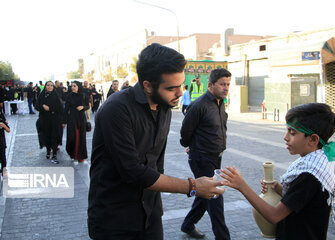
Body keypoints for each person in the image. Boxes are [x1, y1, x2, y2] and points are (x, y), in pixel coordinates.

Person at [87, 43, 224, 240]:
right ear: (147, 86)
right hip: (114, 220)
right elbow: (132, 171)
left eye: (181, 85)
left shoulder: (164, 107)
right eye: (171, 88)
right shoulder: (116, 109)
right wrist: (192, 186)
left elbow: (155, 163)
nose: (179, 93)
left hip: (151, 215)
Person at [221, 103, 335, 240]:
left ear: (313, 139)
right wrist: (279, 188)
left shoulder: (310, 175)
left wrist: (242, 186)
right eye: (287, 131)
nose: (285, 137)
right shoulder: (316, 162)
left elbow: (274, 215)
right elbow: (302, 200)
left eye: (292, 133)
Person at [180, 68, 232, 240]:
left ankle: (187, 225)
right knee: (215, 197)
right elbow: (185, 132)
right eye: (222, 84)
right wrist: (191, 146)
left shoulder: (221, 102)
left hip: (215, 157)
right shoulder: (199, 105)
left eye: (228, 84)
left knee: (203, 194)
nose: (226, 88)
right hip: (201, 158)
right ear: (211, 85)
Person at [35, 81, 63, 164]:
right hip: (44, 119)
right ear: (46, 86)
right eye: (48, 85)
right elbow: (36, 106)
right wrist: (42, 107)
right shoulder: (42, 95)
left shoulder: (55, 95)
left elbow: (60, 108)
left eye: (51, 85)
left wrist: (50, 108)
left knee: (54, 136)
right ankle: (48, 151)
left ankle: (54, 154)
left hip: (54, 120)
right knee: (46, 135)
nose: (50, 87)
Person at [62, 81, 88, 164]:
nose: (73, 87)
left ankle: (81, 156)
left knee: (81, 137)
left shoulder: (83, 95)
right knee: (72, 137)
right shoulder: (69, 96)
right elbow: (66, 110)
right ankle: (73, 154)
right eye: (72, 86)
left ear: (78, 87)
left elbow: (88, 106)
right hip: (72, 119)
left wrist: (83, 107)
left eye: (75, 86)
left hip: (81, 118)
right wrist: (64, 121)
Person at [0, 110, 10, 178]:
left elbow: (8, 130)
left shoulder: (1, 119)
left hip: (1, 143)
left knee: (3, 158)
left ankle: (4, 172)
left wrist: (4, 126)